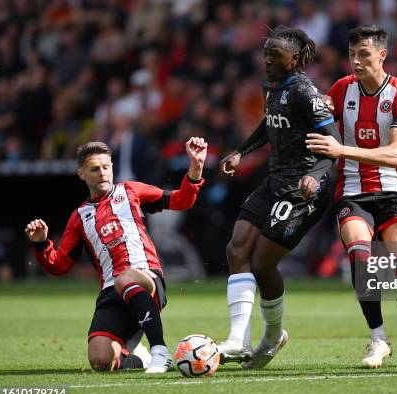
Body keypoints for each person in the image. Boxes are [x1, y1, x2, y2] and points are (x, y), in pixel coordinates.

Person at [306, 24, 397, 369]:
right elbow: (319, 132)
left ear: (382, 55)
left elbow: (394, 155)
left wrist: (341, 148)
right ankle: (378, 340)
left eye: (363, 54)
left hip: (394, 190)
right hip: (352, 192)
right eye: (351, 55)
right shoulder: (342, 89)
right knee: (361, 260)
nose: (356, 62)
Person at [25, 138, 207, 373]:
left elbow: (182, 200)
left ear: (112, 166)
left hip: (145, 277)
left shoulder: (130, 191)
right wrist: (41, 245)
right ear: (81, 174)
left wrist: (196, 167)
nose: (102, 173)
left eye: (106, 167)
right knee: (100, 361)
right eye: (94, 169)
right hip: (111, 291)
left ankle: (159, 351)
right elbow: (59, 266)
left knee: (125, 278)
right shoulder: (79, 217)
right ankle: (141, 358)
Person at [217, 26, 342, 369]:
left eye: (275, 55)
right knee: (236, 248)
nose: (267, 60)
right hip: (275, 179)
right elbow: (268, 124)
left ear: (296, 59)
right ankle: (238, 340)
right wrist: (241, 152)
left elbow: (333, 145)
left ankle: (272, 336)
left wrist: (315, 177)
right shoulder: (271, 86)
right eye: (265, 53)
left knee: (261, 262)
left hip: (305, 189)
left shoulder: (306, 92)